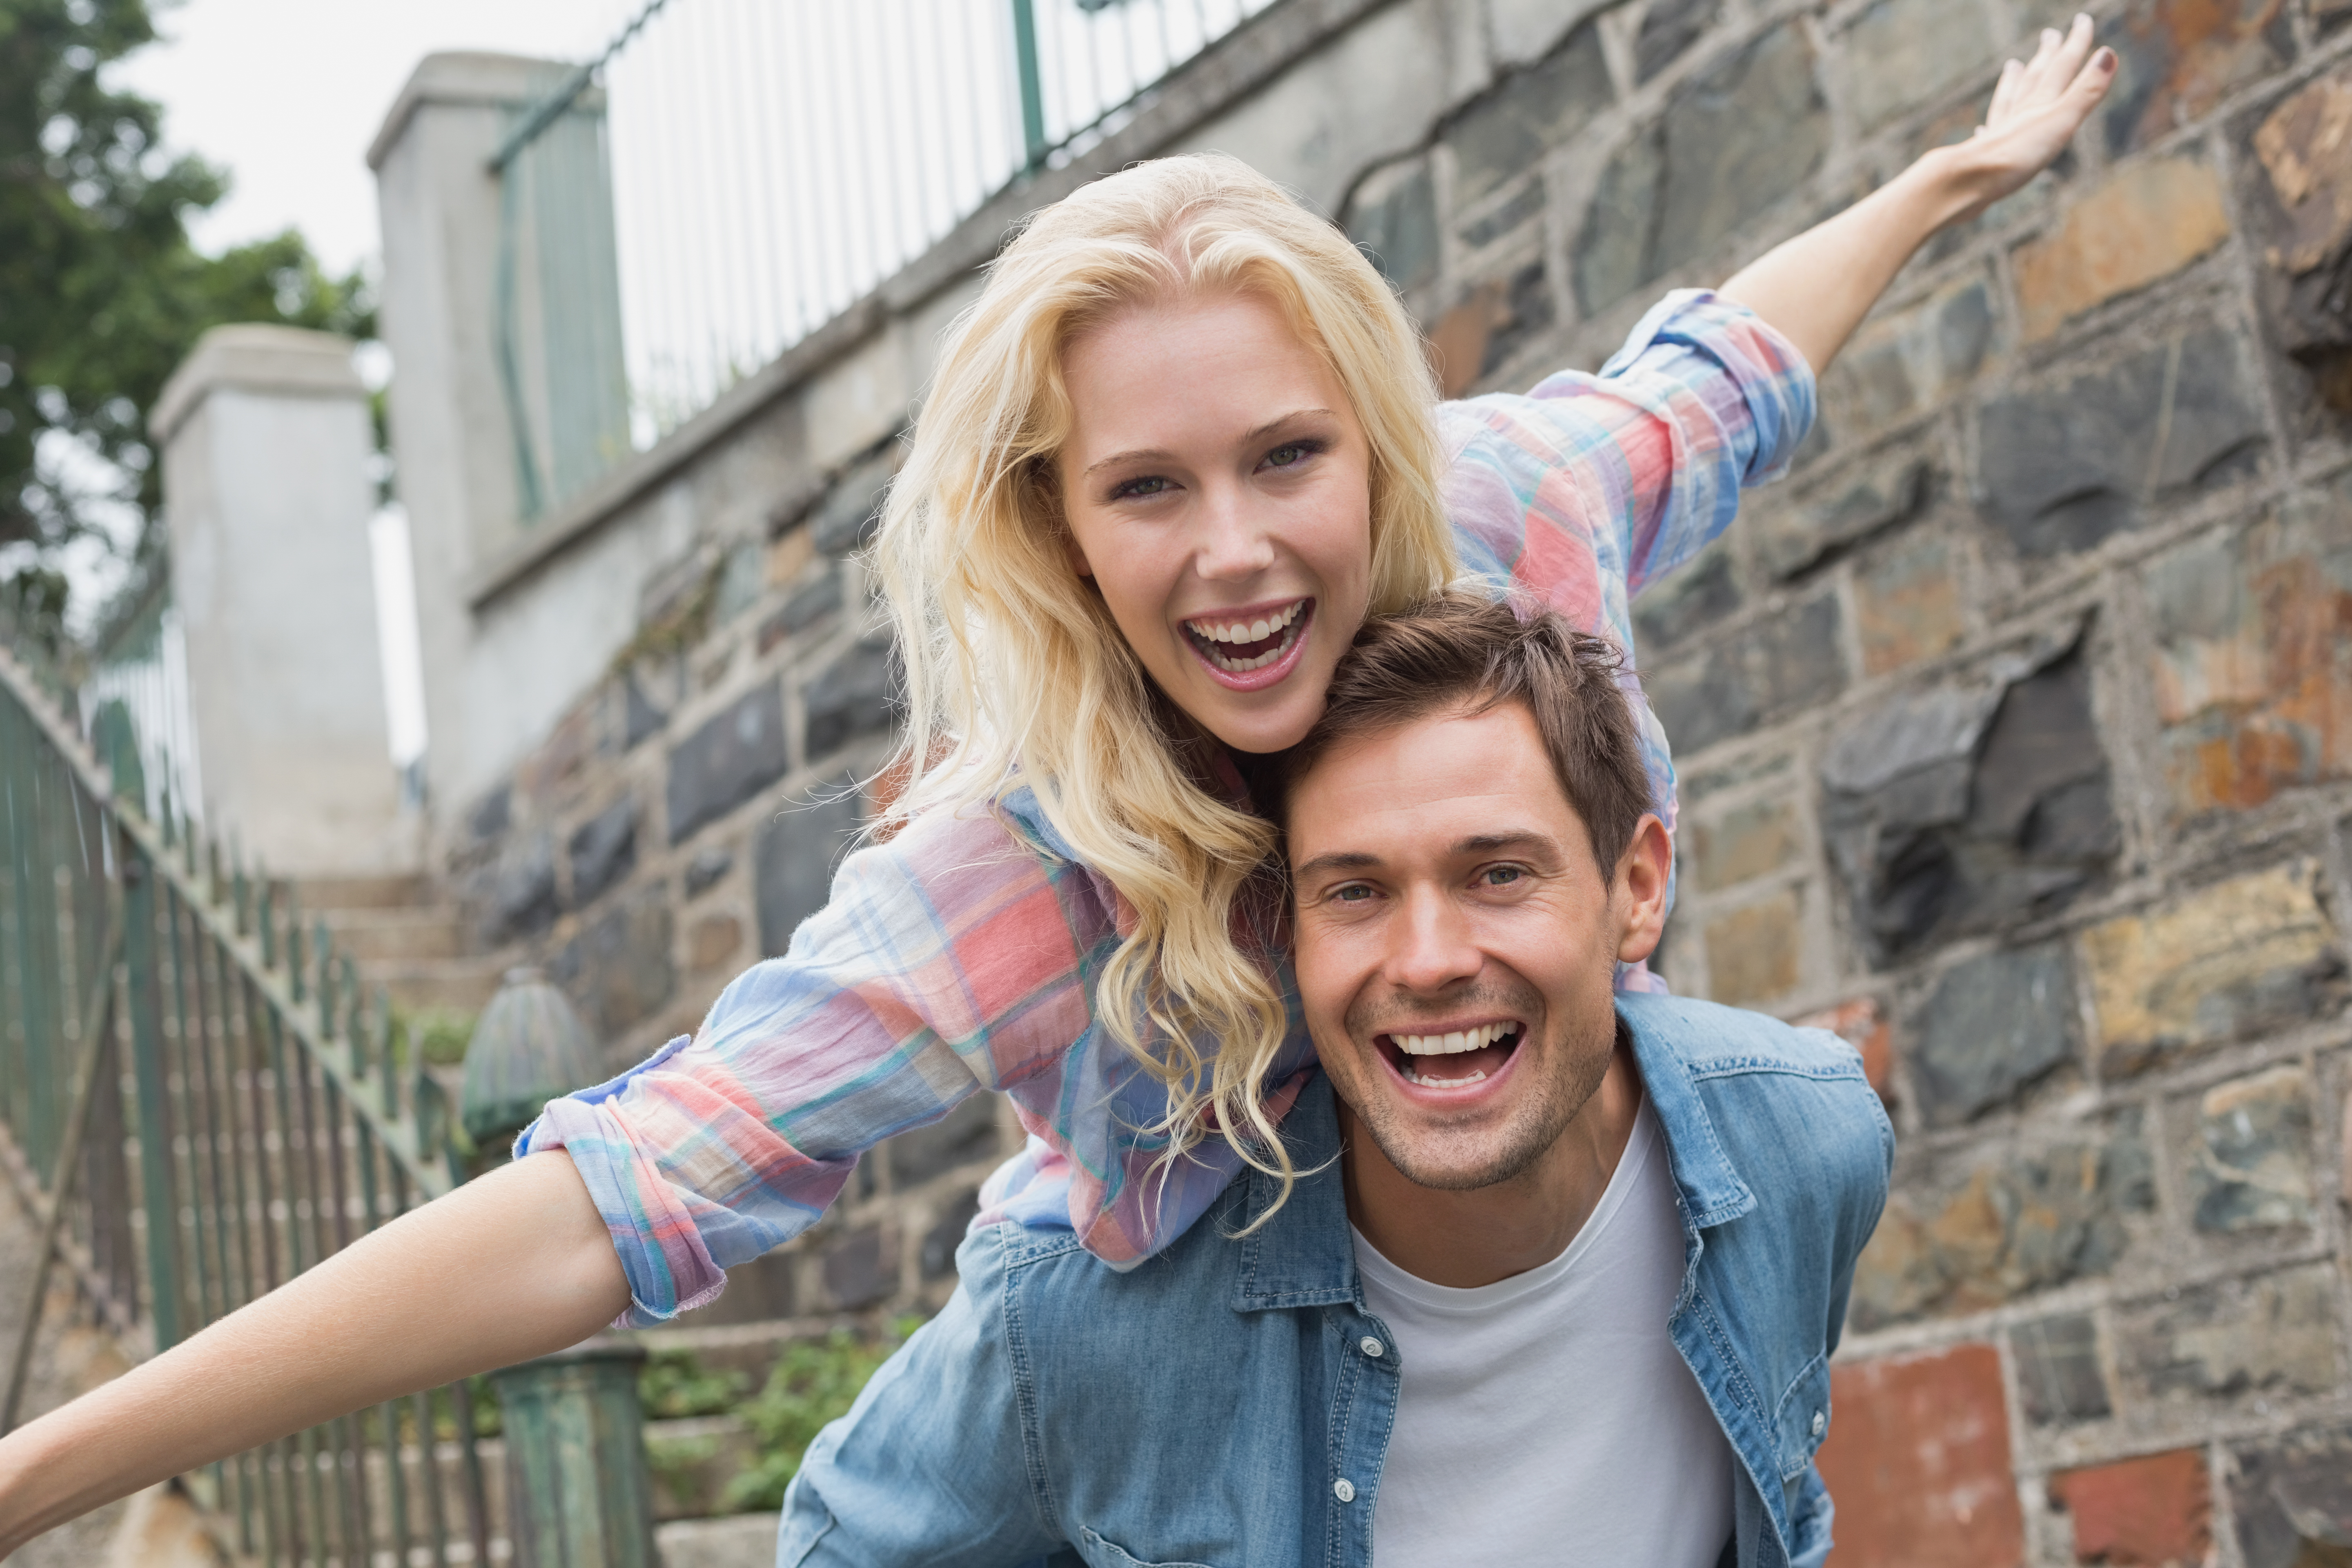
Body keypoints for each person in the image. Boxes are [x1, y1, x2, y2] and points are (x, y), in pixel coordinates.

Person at [0, 19, 2108, 1554]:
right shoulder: (1030, 857)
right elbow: (619, 1200)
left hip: (1519, 1281)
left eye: (1288, 458)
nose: (1237, 554)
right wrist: (42, 1472)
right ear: (1062, 526)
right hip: (1159, 1347)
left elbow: (1724, 371)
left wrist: (1942, 180)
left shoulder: (1514, 517)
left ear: (1373, 442)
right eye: (1147, 492)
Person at [770, 595, 1890, 1568]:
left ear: (1637, 888)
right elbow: (842, 1540)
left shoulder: (1806, 1139)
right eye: (1354, 892)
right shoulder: (1084, 1318)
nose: (1430, 959)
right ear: (1287, 932)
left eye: (1499, 874)